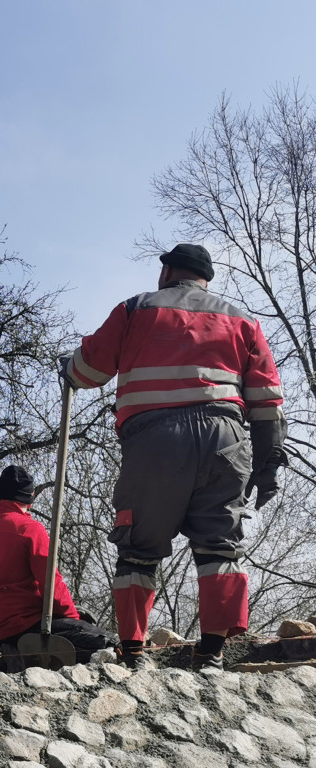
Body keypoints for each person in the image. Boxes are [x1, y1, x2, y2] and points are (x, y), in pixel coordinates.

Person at [63, 243, 287, 671]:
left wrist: (67, 368)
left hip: (155, 440)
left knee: (138, 547)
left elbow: (88, 369)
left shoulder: (136, 309)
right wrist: (270, 459)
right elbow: (267, 396)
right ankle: (212, 652)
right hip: (226, 439)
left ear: (166, 272)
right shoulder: (242, 320)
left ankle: (133, 651)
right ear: (206, 279)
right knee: (219, 546)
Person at [0, 465, 112, 672]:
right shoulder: (29, 529)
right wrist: (72, 618)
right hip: (30, 624)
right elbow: (51, 584)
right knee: (107, 643)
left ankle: (14, 655)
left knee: (82, 623)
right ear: (30, 497)